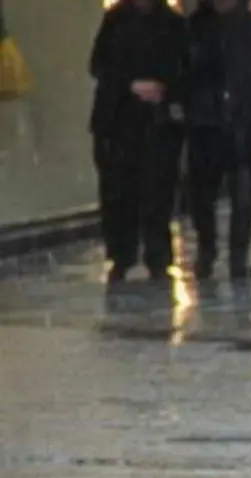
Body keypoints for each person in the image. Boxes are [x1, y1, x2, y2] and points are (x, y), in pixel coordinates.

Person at [89, 0, 187, 283]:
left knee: (159, 189)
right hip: (118, 121)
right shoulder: (115, 20)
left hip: (159, 121)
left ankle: (158, 255)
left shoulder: (173, 23)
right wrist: (129, 85)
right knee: (118, 190)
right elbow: (99, 65)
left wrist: (167, 91)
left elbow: (185, 69)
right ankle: (121, 254)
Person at [186, 0, 251, 281]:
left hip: (244, 121)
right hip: (206, 122)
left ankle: (238, 256)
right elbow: (187, 70)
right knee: (202, 192)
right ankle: (207, 248)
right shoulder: (196, 26)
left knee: (244, 193)